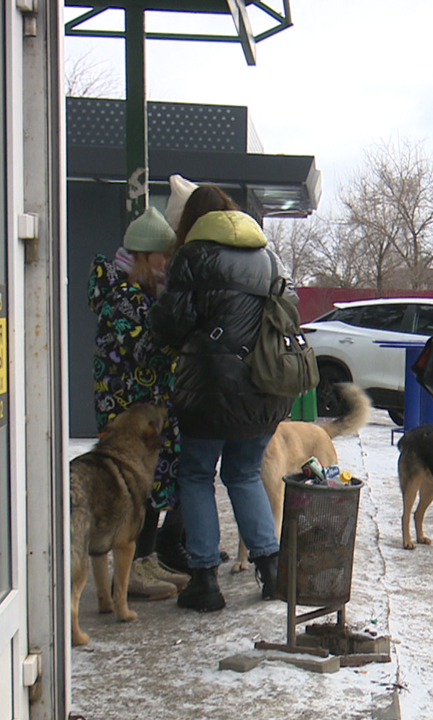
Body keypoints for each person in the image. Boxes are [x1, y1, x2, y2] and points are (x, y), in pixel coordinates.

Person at [150, 185, 292, 611]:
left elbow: (171, 325)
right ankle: (271, 571)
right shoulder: (269, 257)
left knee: (196, 475)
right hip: (265, 387)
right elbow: (290, 310)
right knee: (244, 474)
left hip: (208, 391)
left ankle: (205, 581)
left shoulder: (192, 258)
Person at [87, 206, 190, 599]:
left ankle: (144, 559)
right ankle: (132, 570)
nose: (165, 265)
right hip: (128, 411)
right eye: (161, 257)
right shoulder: (124, 299)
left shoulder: (138, 295)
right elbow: (148, 351)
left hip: (145, 408)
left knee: (150, 484)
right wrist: (179, 335)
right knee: (135, 487)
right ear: (144, 257)